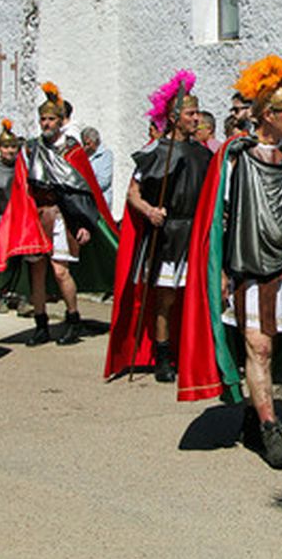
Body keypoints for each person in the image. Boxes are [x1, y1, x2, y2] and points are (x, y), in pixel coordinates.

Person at [177, 56, 282, 469]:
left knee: (273, 346)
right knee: (259, 347)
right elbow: (218, 219)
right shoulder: (235, 157)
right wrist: (219, 272)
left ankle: (252, 416)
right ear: (268, 115)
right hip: (247, 271)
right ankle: (269, 428)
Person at [107, 73, 212, 383]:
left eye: (197, 113)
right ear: (174, 118)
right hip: (167, 233)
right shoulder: (156, 152)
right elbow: (133, 193)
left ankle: (192, 354)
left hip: (195, 233)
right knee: (165, 297)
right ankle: (163, 356)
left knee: (196, 297)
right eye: (191, 113)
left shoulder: (204, 154)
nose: (196, 118)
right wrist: (150, 211)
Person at [18, 83, 102, 346]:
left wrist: (84, 223)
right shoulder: (31, 148)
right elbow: (22, 186)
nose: (46, 123)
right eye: (43, 119)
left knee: (60, 271)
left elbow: (84, 190)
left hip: (62, 216)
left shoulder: (72, 150)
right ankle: (41, 324)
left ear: (60, 121)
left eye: (51, 119)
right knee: (37, 272)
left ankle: (73, 319)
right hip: (38, 214)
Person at [80, 126, 114, 213]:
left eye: (88, 144)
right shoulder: (84, 156)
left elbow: (104, 181)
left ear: (96, 141)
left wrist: (84, 188)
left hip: (101, 202)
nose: (85, 147)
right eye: (84, 144)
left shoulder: (106, 155)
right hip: (86, 202)